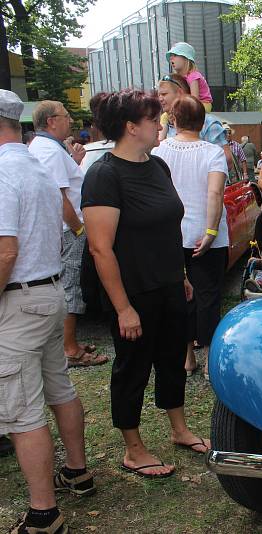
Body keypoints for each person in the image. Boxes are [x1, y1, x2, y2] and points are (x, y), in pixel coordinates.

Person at [82, 89, 209, 478]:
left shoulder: (158, 167)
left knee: (172, 360)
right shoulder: (104, 175)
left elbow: (169, 228)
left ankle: (179, 429)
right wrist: (123, 307)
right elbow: (100, 249)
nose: (161, 124)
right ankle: (134, 449)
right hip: (134, 292)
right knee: (132, 369)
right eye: (154, 119)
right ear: (131, 127)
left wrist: (182, 276)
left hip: (170, 284)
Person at [0, 89, 94, 534]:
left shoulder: (3, 170)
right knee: (58, 385)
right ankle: (77, 469)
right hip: (48, 291)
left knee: (22, 411)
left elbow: (4, 252)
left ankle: (44, 513)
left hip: (19, 297)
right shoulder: (34, 164)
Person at [151, 95, 229, 378]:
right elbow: (215, 193)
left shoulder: (159, 152)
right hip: (205, 234)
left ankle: (186, 357)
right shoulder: (212, 152)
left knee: (178, 296)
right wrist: (210, 231)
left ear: (173, 119)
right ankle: (209, 361)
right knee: (208, 296)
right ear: (203, 121)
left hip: (172, 234)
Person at [28, 101, 108, 368]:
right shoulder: (49, 151)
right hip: (69, 230)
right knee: (71, 287)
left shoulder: (48, 148)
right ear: (51, 121)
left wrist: (74, 162)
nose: (71, 120)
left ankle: (66, 342)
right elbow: (60, 197)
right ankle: (70, 349)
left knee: (68, 286)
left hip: (63, 229)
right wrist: (79, 228)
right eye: (65, 116)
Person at [157, 74, 232, 171]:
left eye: (164, 94)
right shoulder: (162, 125)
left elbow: (227, 161)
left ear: (180, 92)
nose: (160, 99)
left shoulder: (208, 122)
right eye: (158, 95)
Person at [166, 42, 212, 112]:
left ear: (185, 58)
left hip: (203, 104)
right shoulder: (181, 78)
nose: (171, 58)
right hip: (190, 103)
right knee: (166, 116)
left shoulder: (193, 76)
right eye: (170, 56)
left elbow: (194, 99)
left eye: (175, 55)